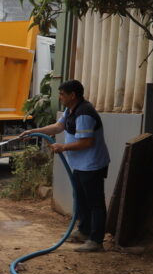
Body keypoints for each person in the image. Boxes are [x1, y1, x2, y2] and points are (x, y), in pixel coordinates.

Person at [22, 79, 111, 252]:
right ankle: (84, 231)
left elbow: (87, 142)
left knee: (95, 202)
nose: (60, 97)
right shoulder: (71, 110)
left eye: (62, 94)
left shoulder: (84, 113)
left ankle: (96, 240)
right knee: (81, 199)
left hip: (91, 165)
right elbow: (58, 126)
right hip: (80, 164)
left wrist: (63, 147)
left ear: (73, 95)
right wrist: (33, 131)